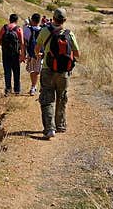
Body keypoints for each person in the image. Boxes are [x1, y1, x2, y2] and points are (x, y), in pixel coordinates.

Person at [34, 7, 80, 139]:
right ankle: (60, 125)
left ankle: (49, 129)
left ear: (53, 18)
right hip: (63, 72)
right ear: (65, 20)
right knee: (62, 98)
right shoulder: (69, 34)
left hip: (48, 70)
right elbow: (77, 54)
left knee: (47, 98)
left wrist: (40, 55)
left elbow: (37, 49)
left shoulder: (44, 30)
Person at [0, 13, 25, 95]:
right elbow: (22, 43)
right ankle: (17, 90)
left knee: (7, 71)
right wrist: (22, 55)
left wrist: (4, 46)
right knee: (16, 71)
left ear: (9, 19)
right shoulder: (18, 29)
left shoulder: (4, 28)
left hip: (5, 53)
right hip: (15, 54)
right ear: (17, 20)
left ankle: (8, 89)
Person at [23, 13, 42, 95]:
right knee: (37, 71)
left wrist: (23, 53)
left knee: (32, 70)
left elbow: (24, 42)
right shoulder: (43, 30)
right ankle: (34, 86)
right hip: (40, 54)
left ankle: (33, 86)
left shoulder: (27, 30)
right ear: (39, 20)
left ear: (32, 20)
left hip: (31, 53)